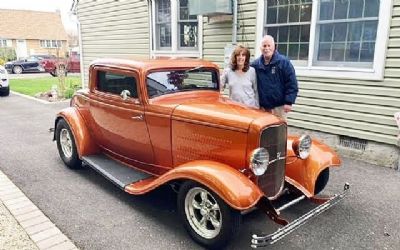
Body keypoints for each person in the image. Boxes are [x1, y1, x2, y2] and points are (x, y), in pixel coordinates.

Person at [251, 35, 298, 120]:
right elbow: (244, 70)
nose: (266, 48)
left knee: (279, 132)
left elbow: (292, 82)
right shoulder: (256, 65)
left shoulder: (284, 62)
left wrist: (289, 102)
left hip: (279, 108)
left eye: (269, 46)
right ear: (260, 48)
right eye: (264, 46)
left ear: (274, 47)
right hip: (263, 108)